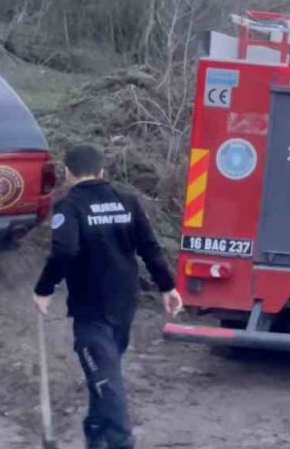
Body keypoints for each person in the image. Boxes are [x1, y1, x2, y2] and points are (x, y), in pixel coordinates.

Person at [32, 145, 181, 449]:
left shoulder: (69, 207)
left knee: (106, 380)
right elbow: (150, 248)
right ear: (102, 172)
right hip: (125, 303)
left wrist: (44, 289)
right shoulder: (128, 202)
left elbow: (65, 250)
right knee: (105, 372)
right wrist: (168, 286)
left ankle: (119, 441)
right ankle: (97, 433)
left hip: (92, 308)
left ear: (68, 173)